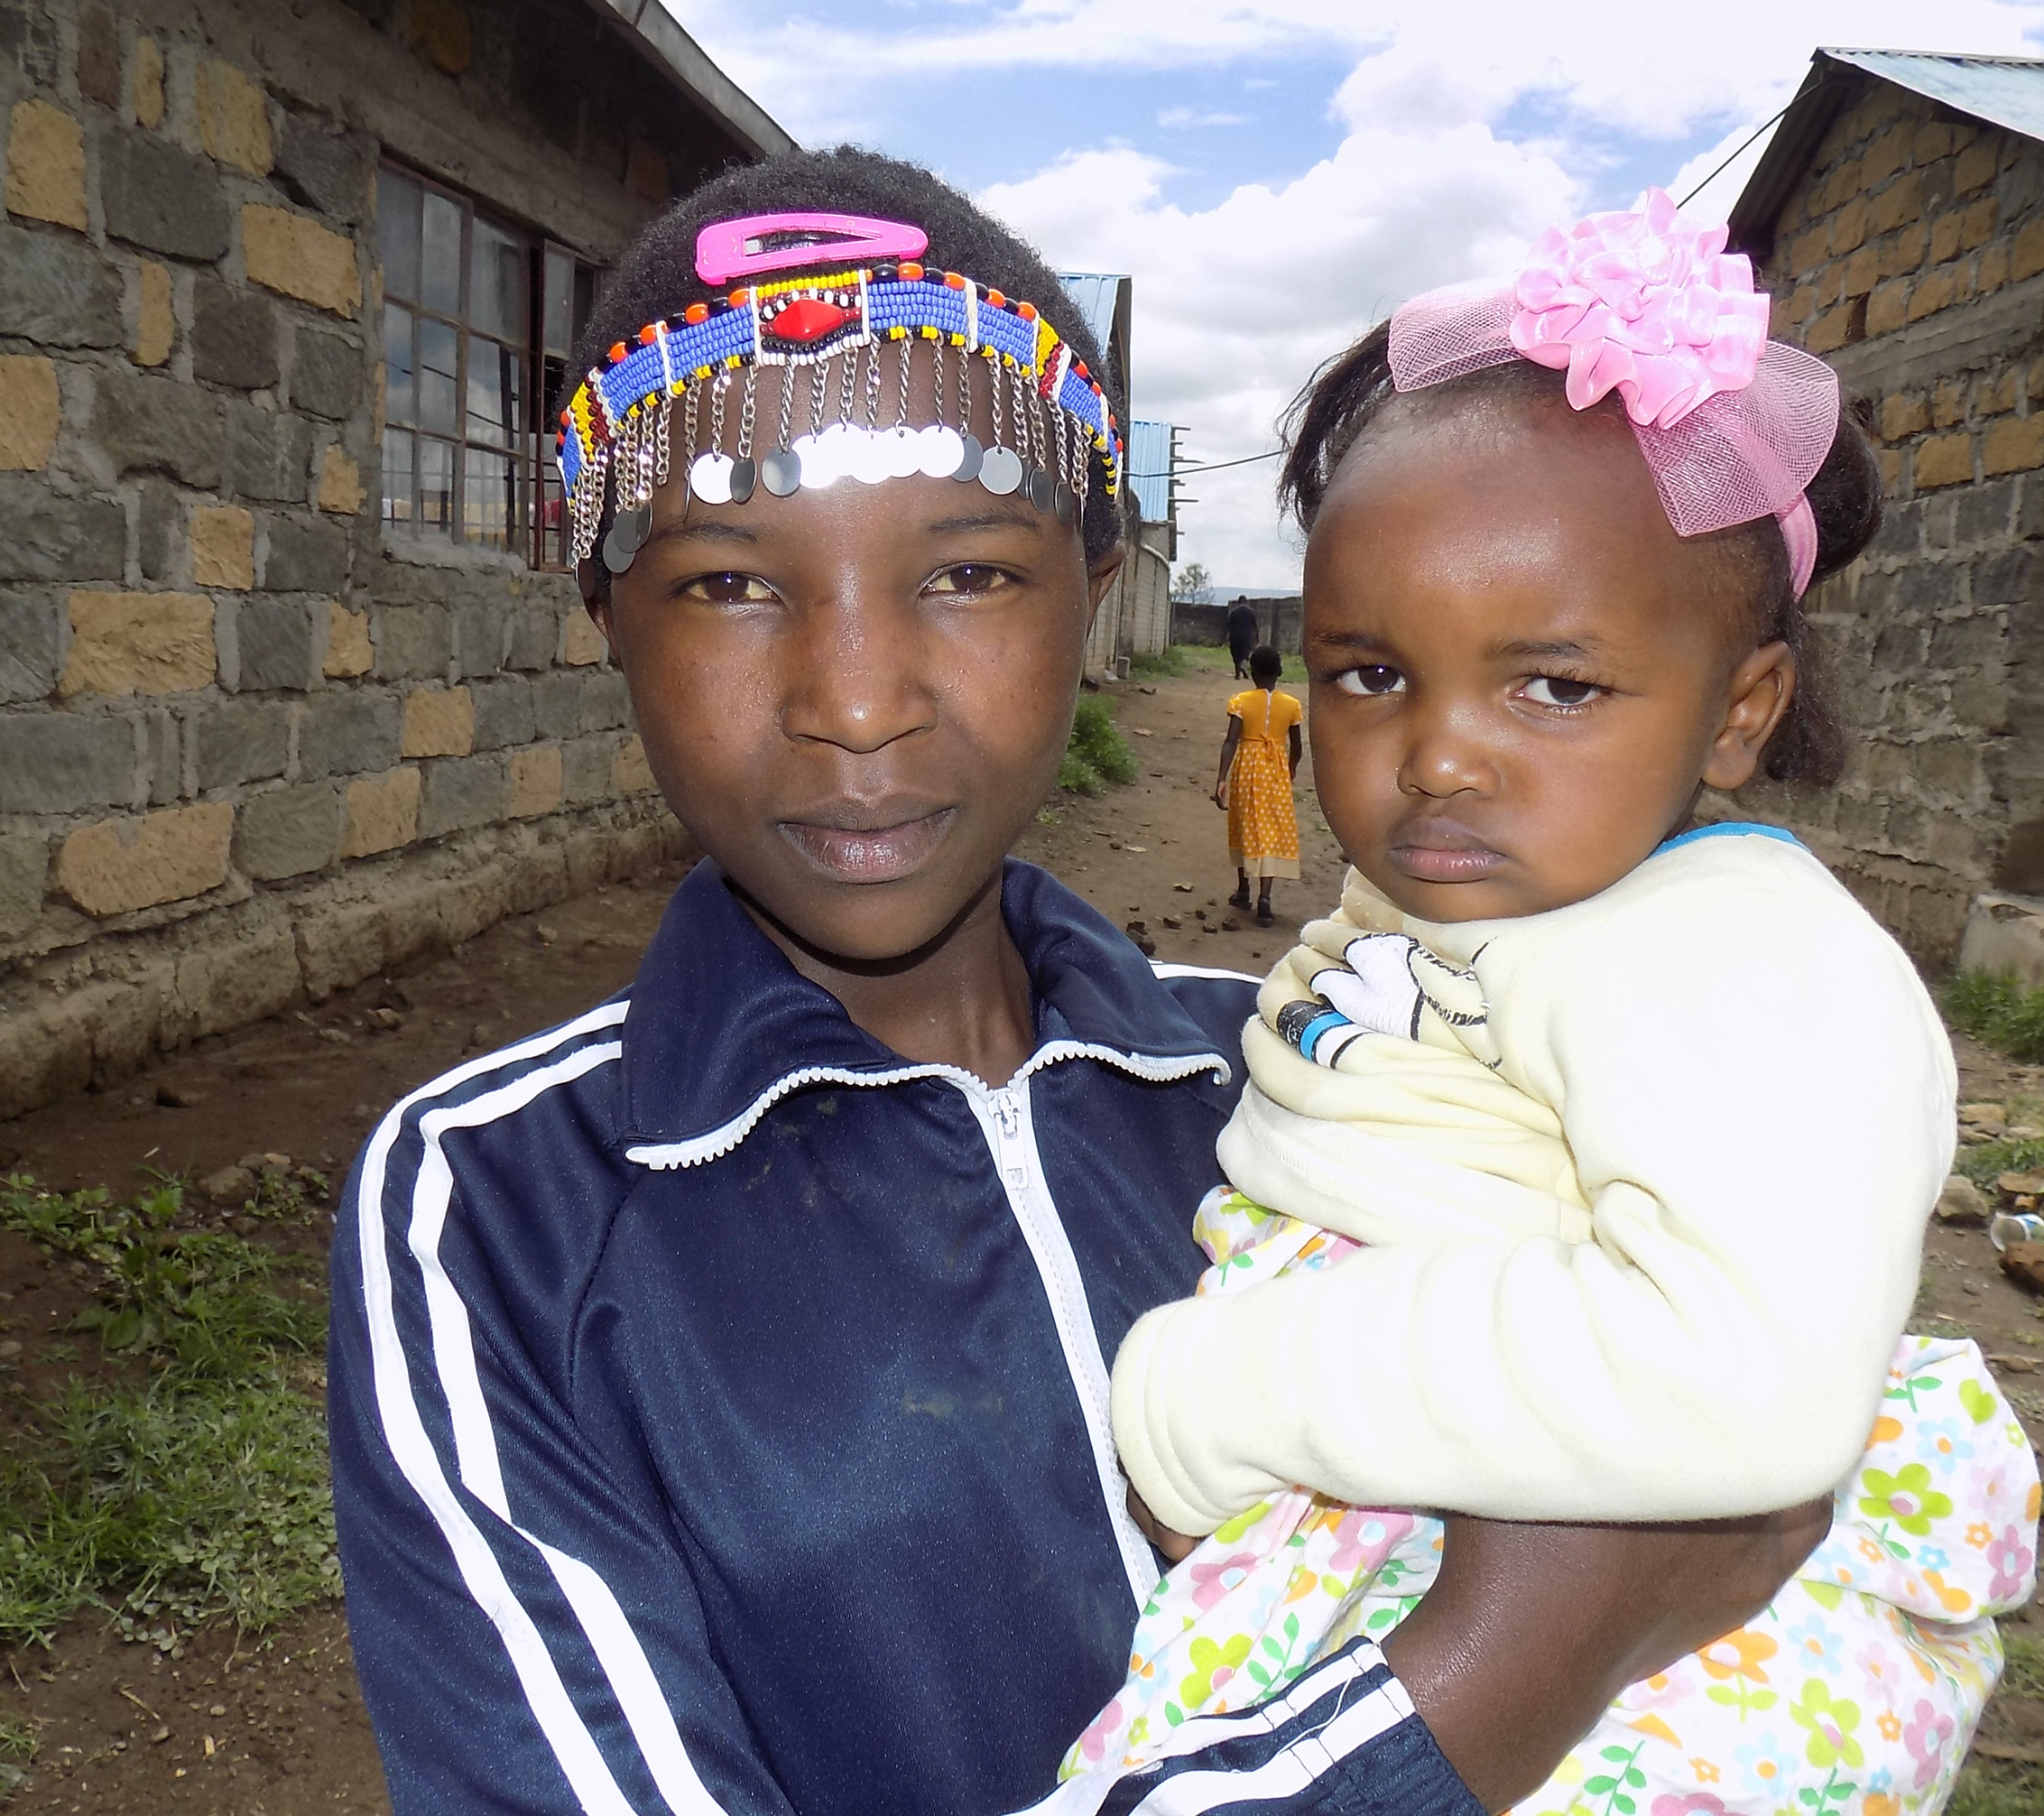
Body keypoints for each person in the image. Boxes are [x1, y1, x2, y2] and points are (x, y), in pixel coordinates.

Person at [328, 151, 1830, 1816]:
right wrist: (1521, 1655)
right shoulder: (505, 1214)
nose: (856, 698)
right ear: (604, 612)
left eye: (966, 572)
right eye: (730, 583)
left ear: (1095, 588)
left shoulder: (1324, 1075)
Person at [1068, 194, 2039, 1814]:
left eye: (1557, 685)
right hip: (1417, 1511)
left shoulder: (1733, 949)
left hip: (1639, 1630)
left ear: (1740, 713)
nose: (1439, 751)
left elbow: (1735, 1364)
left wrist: (1211, 1393)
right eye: (1372, 672)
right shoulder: (1507, 886)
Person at [1211, 644, 1302, 928]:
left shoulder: (1241, 701)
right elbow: (1297, 747)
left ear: (1252, 672)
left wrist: (1221, 779)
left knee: (1243, 824)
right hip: (1276, 772)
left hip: (1246, 769)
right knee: (1271, 830)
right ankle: (1265, 898)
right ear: (1280, 672)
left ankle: (1243, 890)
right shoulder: (1292, 705)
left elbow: (1230, 742)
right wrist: (1290, 769)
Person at [1225, 598, 1258, 678]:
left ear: (1238, 602)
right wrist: (1256, 636)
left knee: (1236, 654)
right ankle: (1243, 665)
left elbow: (1228, 625)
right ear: (1246, 602)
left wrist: (1227, 636)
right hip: (1246, 636)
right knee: (1245, 653)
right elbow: (1255, 625)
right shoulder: (1251, 612)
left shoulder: (1234, 612)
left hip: (1234, 636)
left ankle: (1237, 675)